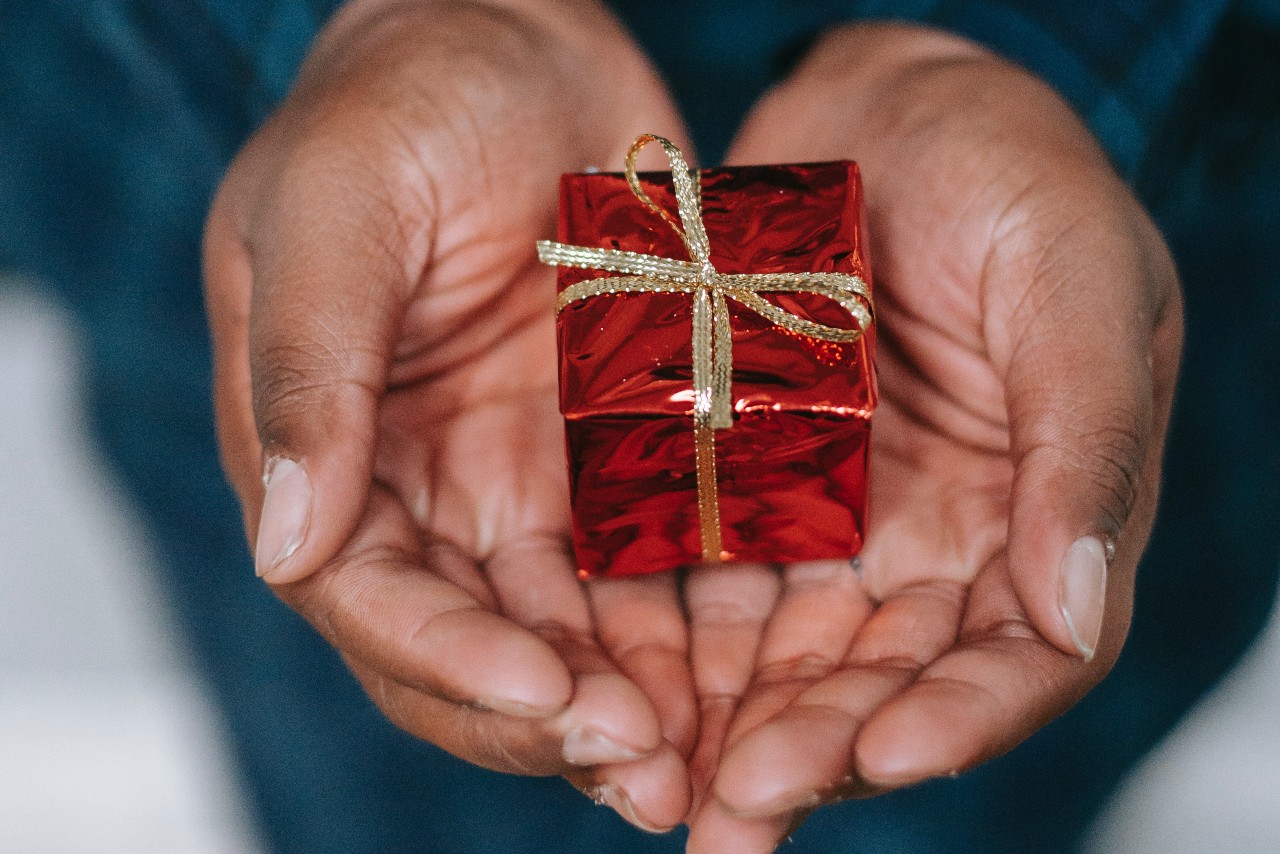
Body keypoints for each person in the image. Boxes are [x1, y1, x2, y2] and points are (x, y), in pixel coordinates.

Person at [2, 1, 1277, 852]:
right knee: (379, 763)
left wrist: (1017, 44)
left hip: (1102, 235)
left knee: (954, 779)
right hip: (237, 156)